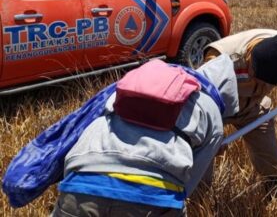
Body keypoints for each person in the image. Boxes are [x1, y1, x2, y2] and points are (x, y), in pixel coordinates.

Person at [51, 55, 238, 216]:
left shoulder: (134, 87)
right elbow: (190, 183)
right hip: (150, 197)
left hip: (80, 183)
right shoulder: (212, 111)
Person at [203, 29, 277, 191]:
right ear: (251, 59)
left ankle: (272, 188)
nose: (258, 83)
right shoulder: (220, 59)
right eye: (255, 77)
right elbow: (204, 103)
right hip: (219, 110)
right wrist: (212, 135)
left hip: (253, 108)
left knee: (271, 161)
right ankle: (199, 198)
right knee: (203, 158)